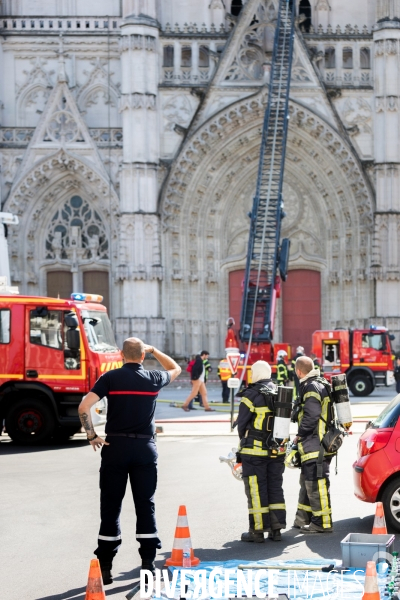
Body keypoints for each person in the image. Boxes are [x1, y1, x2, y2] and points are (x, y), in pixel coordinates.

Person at [78, 338, 181, 585]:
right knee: (145, 504)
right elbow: (175, 368)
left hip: (115, 447)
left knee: (111, 506)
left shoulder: (110, 378)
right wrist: (155, 349)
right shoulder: (153, 378)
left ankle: (105, 567)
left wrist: (91, 434)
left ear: (122, 355)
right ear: (143, 356)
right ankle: (147, 563)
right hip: (145, 448)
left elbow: (84, 406)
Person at [237, 360, 287, 543]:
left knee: (256, 490)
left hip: (254, 452)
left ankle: (257, 531)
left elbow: (242, 425)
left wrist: (243, 444)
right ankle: (277, 530)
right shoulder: (281, 393)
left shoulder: (250, 395)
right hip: (277, 451)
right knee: (275, 488)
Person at [292, 356, 334, 534]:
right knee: (307, 481)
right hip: (320, 443)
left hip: (315, 445)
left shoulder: (310, 387)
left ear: (298, 371)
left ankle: (321, 523)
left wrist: (299, 435)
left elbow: (311, 416)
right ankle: (303, 518)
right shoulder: (319, 383)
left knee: (316, 483)